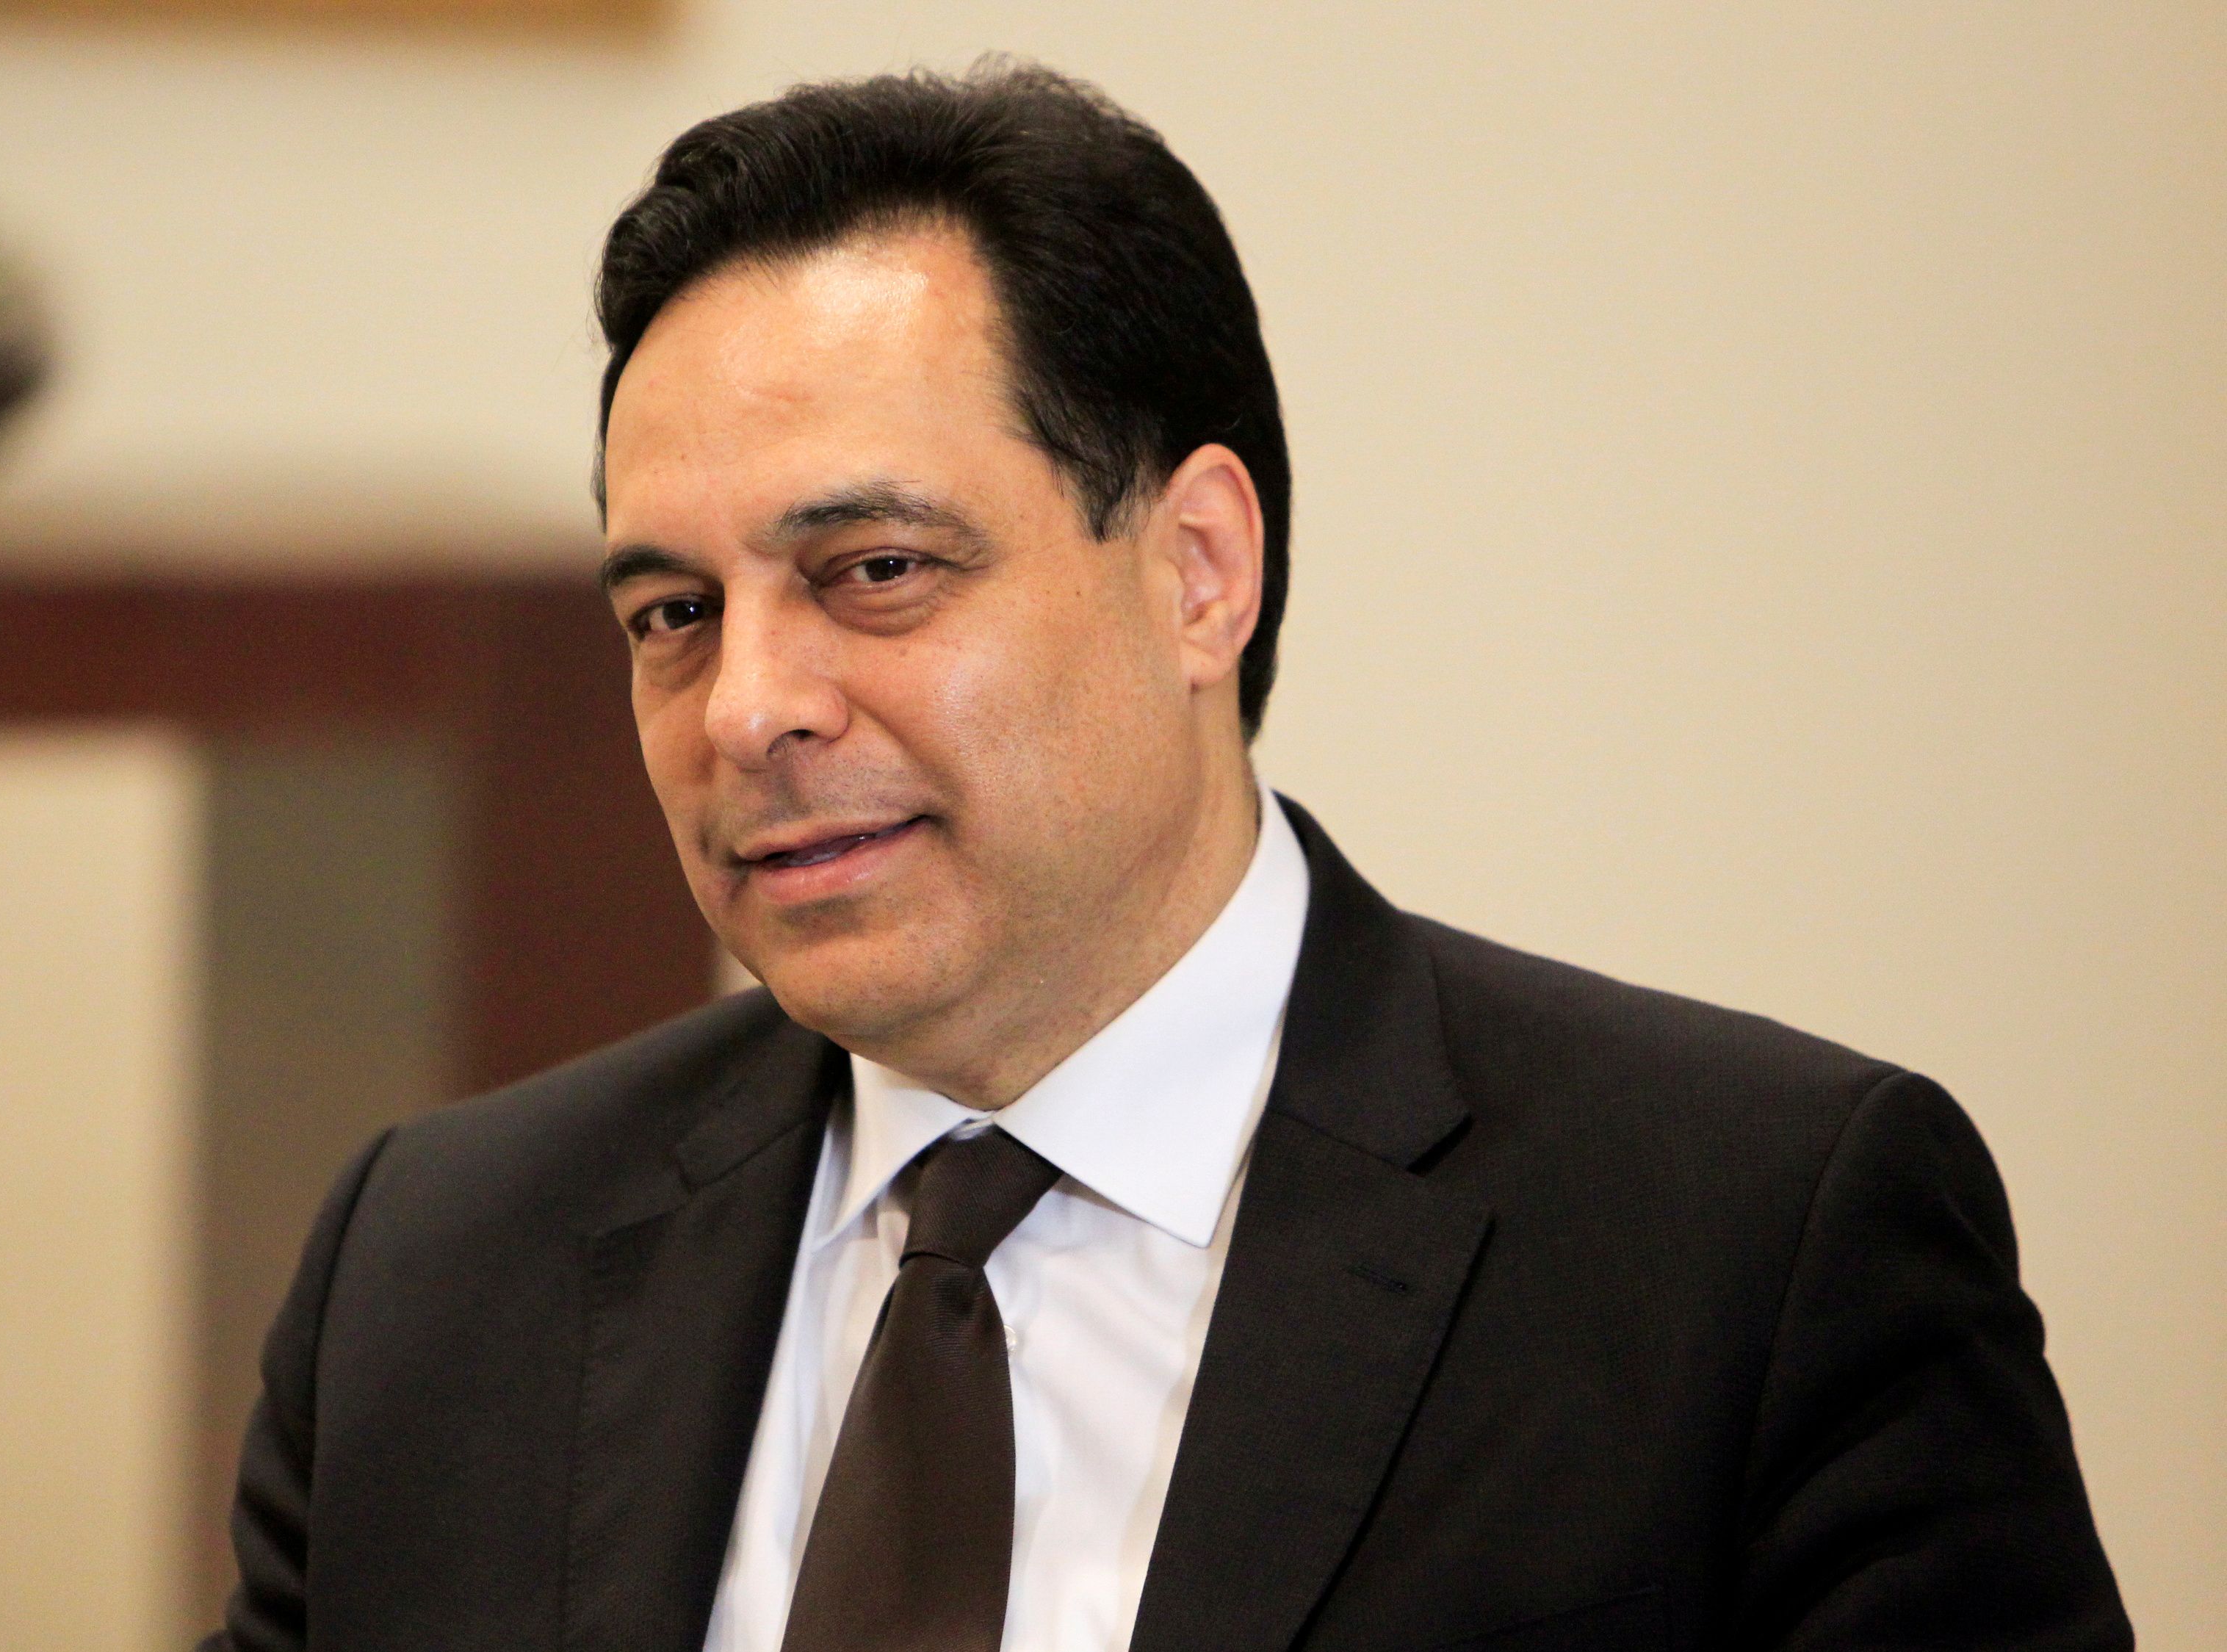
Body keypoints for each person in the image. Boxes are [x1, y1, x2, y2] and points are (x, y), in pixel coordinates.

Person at [205, 63, 2130, 1652]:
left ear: (1200, 570)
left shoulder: (1751, 1258)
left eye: (874, 570)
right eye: (672, 615)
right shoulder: (438, 1271)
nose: (748, 710)